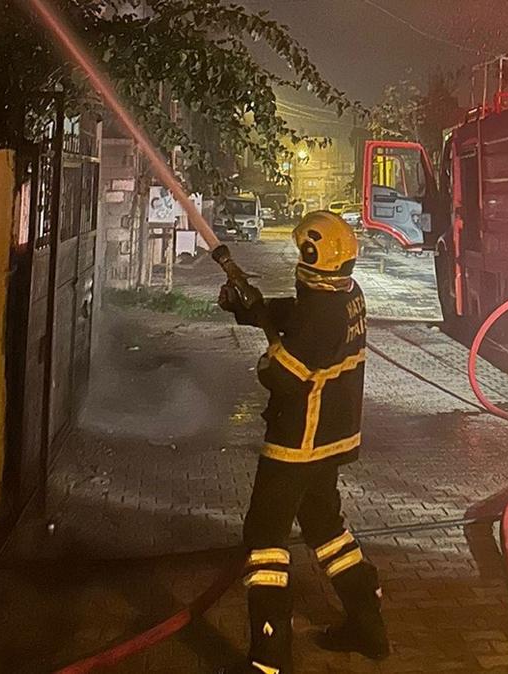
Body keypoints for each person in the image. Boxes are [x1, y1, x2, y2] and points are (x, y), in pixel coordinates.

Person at [219, 211, 388, 674]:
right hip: (330, 440)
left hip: (297, 443)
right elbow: (298, 314)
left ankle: (269, 660)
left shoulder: (321, 314)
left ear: (313, 258)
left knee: (265, 543)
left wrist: (269, 357)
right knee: (326, 528)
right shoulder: (347, 294)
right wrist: (251, 309)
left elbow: (281, 376)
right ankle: (368, 627)